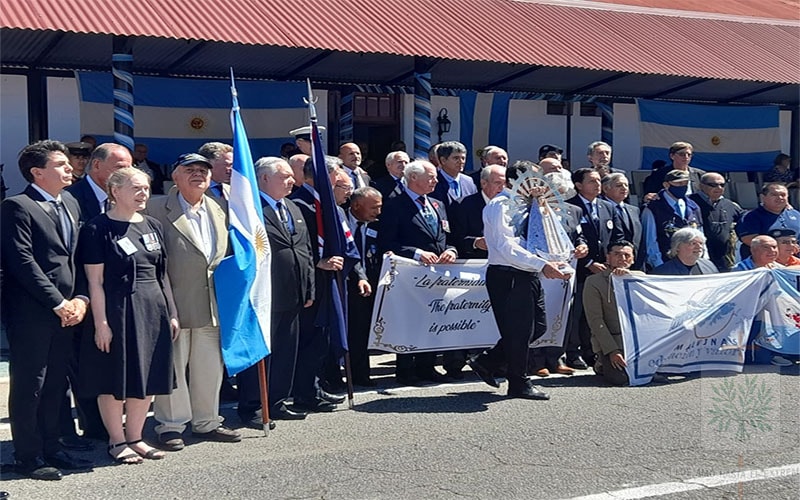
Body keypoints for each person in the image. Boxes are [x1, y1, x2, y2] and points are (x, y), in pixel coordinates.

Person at [1, 140, 93, 480]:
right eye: (60, 164)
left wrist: (81, 299)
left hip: (69, 309)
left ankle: (53, 447)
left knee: (56, 382)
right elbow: (22, 261)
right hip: (34, 312)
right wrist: (57, 301)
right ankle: (29, 455)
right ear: (37, 172)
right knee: (31, 383)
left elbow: (78, 255)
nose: (69, 168)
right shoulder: (17, 206)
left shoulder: (69, 201)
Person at [78, 167, 179, 464]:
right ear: (115, 191)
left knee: (147, 376)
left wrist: (171, 312)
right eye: (136, 188)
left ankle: (136, 437)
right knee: (114, 377)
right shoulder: (97, 229)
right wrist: (101, 323)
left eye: (146, 188)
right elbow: (95, 281)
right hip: (117, 309)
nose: (143, 194)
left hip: (153, 308)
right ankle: (117, 440)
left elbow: (163, 275)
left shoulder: (152, 225)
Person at [148, 153, 242, 452]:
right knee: (173, 367)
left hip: (212, 303)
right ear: (175, 176)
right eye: (190, 170)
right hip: (173, 303)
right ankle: (171, 425)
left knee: (209, 367)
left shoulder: (219, 207)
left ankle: (207, 421)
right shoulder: (155, 208)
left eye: (203, 170)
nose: (198, 175)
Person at [466, 162, 571, 400]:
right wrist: (541, 264)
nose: (538, 184)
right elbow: (507, 246)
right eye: (532, 179)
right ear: (515, 182)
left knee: (538, 327)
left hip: (527, 273)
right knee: (519, 331)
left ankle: (487, 360)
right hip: (507, 274)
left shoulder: (532, 206)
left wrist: (554, 259)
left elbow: (543, 240)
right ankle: (518, 382)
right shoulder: (501, 206)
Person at [238, 157, 315, 423]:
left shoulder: (292, 207)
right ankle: (253, 405)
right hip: (264, 294)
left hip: (293, 293)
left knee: (285, 352)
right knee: (261, 353)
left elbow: (304, 250)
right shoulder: (251, 210)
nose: (292, 180)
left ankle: (278, 401)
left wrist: (308, 288)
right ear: (264, 179)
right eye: (284, 176)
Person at [378, 160, 457, 385]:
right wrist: (416, 253)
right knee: (410, 320)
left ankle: (427, 366)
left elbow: (447, 236)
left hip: (438, 275)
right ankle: (405, 369)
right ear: (413, 178)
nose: (435, 181)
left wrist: (451, 250)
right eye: (431, 177)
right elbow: (387, 241)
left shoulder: (437, 204)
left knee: (432, 319)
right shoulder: (395, 205)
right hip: (410, 276)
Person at [565, 168, 622, 369]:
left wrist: (613, 260)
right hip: (581, 270)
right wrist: (588, 263)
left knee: (597, 313)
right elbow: (568, 240)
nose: (597, 185)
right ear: (579, 185)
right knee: (577, 313)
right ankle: (572, 352)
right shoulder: (569, 206)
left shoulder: (608, 207)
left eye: (599, 180)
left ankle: (592, 352)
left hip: (605, 271)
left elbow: (617, 236)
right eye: (592, 181)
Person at [583, 240, 644, 386]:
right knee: (621, 379)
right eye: (617, 254)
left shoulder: (641, 277)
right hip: (614, 341)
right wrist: (612, 351)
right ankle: (601, 363)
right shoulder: (593, 282)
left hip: (640, 341)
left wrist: (631, 278)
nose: (622, 259)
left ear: (633, 259)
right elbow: (596, 321)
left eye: (627, 255)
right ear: (608, 257)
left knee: (654, 375)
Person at [346, 187, 384, 386]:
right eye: (374, 208)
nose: (378, 212)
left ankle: (361, 375)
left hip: (369, 284)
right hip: (345, 282)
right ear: (356, 206)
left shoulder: (378, 224)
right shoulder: (341, 220)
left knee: (362, 331)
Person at [641, 169, 703, 270]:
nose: (683, 186)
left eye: (685, 183)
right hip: (665, 263)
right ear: (666, 185)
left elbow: (700, 235)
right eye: (678, 184)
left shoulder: (693, 207)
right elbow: (650, 241)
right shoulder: (653, 207)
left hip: (691, 263)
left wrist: (702, 260)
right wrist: (659, 265)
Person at [688, 173, 744, 272]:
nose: (719, 188)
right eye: (713, 185)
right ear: (701, 186)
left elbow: (745, 219)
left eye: (722, 185)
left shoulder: (730, 204)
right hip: (699, 258)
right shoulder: (689, 202)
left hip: (724, 259)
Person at [736, 183, 800, 259]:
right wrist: (777, 247)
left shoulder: (796, 214)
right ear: (763, 197)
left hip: (794, 262)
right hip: (764, 264)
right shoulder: (750, 216)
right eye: (774, 195)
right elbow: (748, 239)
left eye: (783, 195)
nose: (779, 198)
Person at [601, 173, 643, 270]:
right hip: (611, 265)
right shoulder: (602, 209)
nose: (624, 188)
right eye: (619, 185)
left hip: (633, 263)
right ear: (606, 189)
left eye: (626, 185)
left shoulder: (634, 209)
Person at [431, 141, 477, 211]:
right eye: (456, 158)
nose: (461, 161)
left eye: (463, 158)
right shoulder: (433, 181)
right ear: (443, 160)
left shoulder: (469, 181)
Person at [650, 227, 717, 275]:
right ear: (677, 246)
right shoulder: (662, 273)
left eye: (701, 243)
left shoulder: (709, 266)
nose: (699, 247)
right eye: (693, 243)